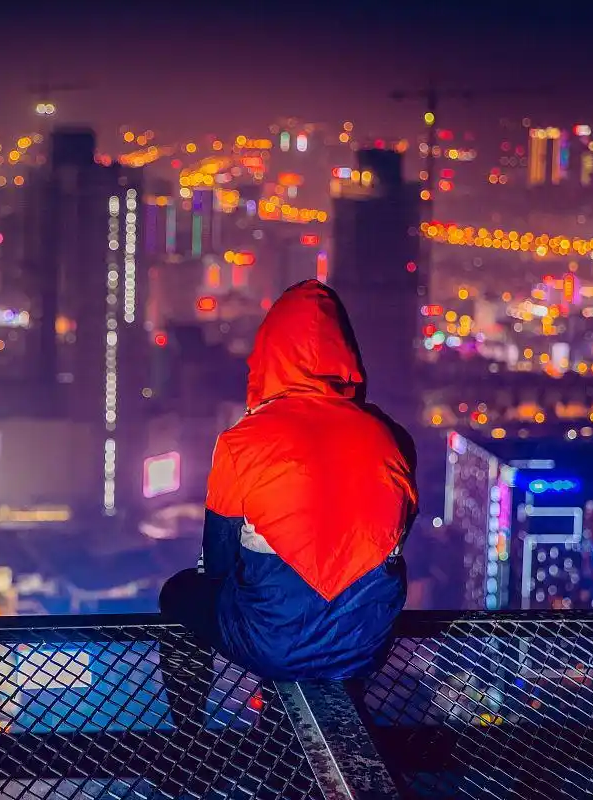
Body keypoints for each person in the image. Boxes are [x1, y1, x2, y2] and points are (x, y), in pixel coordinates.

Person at [158, 279, 417, 727]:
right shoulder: (391, 438)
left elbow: (218, 563)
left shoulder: (244, 441)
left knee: (182, 594)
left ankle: (187, 737)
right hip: (365, 644)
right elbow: (393, 538)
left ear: (268, 357)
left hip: (271, 641)